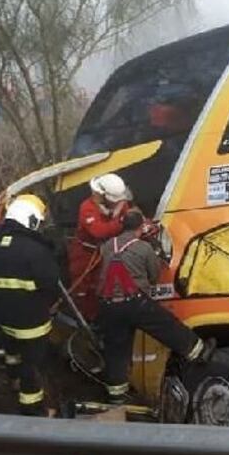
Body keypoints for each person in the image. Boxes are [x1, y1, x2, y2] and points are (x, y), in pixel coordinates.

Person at [97, 209, 214, 403]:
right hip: (134, 302)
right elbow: (154, 276)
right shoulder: (143, 248)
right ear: (140, 227)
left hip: (109, 306)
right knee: (167, 325)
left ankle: (117, 398)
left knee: (116, 351)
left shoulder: (108, 246)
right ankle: (198, 351)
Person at [0, 194, 59, 416]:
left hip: (2, 318)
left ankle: (11, 381)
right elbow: (51, 285)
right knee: (33, 367)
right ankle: (33, 410)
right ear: (30, 219)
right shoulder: (35, 249)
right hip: (32, 322)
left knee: (12, 352)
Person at [67, 173, 132, 321]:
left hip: (109, 251)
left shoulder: (121, 203)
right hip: (86, 253)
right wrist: (121, 223)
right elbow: (99, 231)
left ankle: (103, 314)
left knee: (105, 284)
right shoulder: (87, 208)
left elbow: (129, 216)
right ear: (100, 194)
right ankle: (87, 318)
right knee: (82, 288)